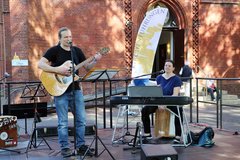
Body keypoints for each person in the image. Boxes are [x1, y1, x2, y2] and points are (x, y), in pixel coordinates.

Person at [38, 27, 102, 158]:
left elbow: (87, 67)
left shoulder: (76, 51)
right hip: (60, 91)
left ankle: (80, 146)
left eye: (70, 36)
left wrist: (95, 60)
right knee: (63, 122)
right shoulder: (54, 51)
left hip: (76, 90)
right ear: (60, 38)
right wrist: (58, 70)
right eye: (66, 37)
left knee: (81, 120)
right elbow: (41, 64)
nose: (69, 39)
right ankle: (65, 148)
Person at [141, 59, 183, 142]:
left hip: (171, 101)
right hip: (159, 101)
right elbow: (156, 92)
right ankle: (147, 134)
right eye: (165, 65)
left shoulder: (176, 79)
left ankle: (178, 136)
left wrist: (166, 104)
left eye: (169, 66)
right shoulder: (159, 78)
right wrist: (159, 103)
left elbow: (175, 94)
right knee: (144, 110)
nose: (167, 67)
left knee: (179, 111)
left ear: (173, 68)